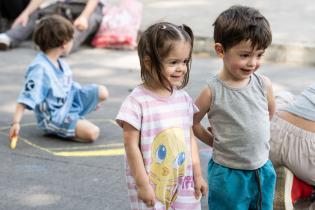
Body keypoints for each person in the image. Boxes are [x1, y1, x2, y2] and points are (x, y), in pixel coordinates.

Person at [116, 22, 207, 210]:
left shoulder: (183, 99)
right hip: (153, 182)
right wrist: (142, 184)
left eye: (184, 61)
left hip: (184, 181)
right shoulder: (137, 102)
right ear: (149, 63)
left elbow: (189, 138)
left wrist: (197, 175)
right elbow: (131, 145)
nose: (181, 68)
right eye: (173, 62)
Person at [193, 5, 276, 210]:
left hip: (262, 170)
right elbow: (191, 122)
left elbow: (268, 113)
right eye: (245, 55)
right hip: (228, 173)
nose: (253, 63)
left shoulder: (263, 84)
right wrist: (212, 141)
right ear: (220, 50)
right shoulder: (212, 90)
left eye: (259, 55)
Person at [8, 15, 108, 143]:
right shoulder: (40, 69)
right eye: (72, 39)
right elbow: (25, 98)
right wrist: (16, 123)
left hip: (69, 102)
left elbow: (70, 87)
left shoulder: (60, 62)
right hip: (55, 117)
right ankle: (65, 126)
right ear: (64, 43)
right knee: (92, 133)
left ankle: (75, 120)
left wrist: (90, 101)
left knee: (102, 91)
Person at [270, 87, 315, 210]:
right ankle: (299, 187)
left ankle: (293, 186)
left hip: (272, 133)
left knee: (285, 95)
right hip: (308, 156)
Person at [0, 0, 105, 52]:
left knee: (81, 25)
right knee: (37, 14)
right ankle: (9, 37)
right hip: (64, 5)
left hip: (89, 8)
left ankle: (65, 45)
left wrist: (84, 17)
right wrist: (25, 13)